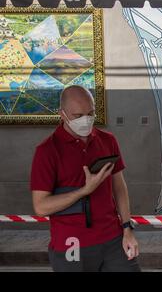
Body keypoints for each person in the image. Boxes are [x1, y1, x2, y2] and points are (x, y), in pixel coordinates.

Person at [30, 85, 140, 272]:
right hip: (71, 244)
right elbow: (41, 207)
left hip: (113, 239)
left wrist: (127, 228)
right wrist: (84, 191)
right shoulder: (47, 151)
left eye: (91, 113)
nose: (86, 120)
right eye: (78, 116)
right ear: (62, 114)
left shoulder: (107, 140)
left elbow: (119, 187)